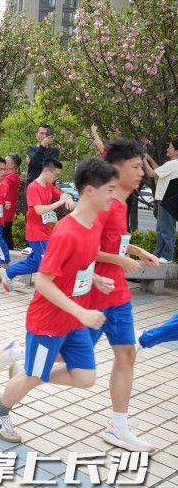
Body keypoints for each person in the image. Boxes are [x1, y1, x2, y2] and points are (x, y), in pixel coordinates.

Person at [0, 158, 117, 444]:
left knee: (85, 376)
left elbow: (81, 264)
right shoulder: (66, 231)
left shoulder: (93, 225)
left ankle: (22, 357)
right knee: (34, 376)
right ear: (90, 190)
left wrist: (95, 279)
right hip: (48, 322)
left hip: (72, 320)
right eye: (110, 189)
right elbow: (44, 282)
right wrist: (81, 312)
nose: (114, 196)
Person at [89, 140, 159, 450]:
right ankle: (21, 354)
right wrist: (120, 260)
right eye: (136, 167)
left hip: (117, 295)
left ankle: (118, 426)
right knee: (67, 358)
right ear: (116, 170)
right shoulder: (105, 205)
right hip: (96, 294)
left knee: (127, 354)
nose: (142, 173)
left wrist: (137, 251)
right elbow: (86, 248)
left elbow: (113, 241)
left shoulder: (121, 203)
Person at [0, 159, 73, 292]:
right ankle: (46, 293)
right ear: (47, 171)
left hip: (46, 232)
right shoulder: (33, 187)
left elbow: (63, 195)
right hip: (36, 234)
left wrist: (69, 199)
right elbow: (38, 210)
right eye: (56, 175)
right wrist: (60, 202)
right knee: (48, 264)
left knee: (35, 262)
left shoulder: (49, 186)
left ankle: (8, 273)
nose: (56, 178)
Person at [143, 139, 178, 263]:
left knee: (165, 228)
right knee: (162, 228)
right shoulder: (172, 165)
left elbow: (151, 173)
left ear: (176, 151)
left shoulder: (172, 164)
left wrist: (143, 159)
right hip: (169, 199)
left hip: (166, 199)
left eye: (170, 147)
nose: (167, 149)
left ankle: (166, 256)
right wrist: (149, 158)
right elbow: (159, 170)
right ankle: (159, 254)